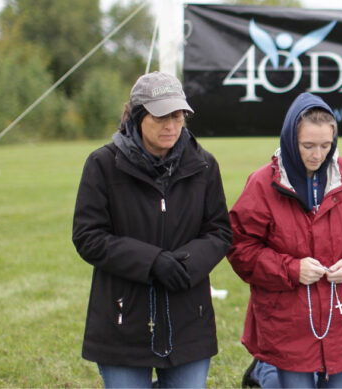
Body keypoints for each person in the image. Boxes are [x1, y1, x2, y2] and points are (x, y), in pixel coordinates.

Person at [71, 71, 232, 388]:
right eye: (160, 117)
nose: (171, 126)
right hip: (122, 322)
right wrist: (152, 261)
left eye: (177, 116)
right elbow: (88, 236)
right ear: (138, 116)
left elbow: (219, 232)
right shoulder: (103, 164)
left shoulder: (204, 165)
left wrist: (186, 263)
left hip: (190, 320)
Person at [227, 92, 342, 388]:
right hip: (288, 319)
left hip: (341, 316)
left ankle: (264, 376)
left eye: (326, 145)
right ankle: (266, 373)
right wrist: (290, 269)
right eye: (308, 145)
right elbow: (241, 247)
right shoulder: (263, 183)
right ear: (289, 139)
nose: (317, 154)